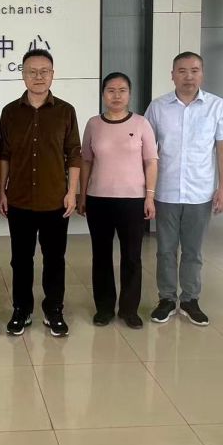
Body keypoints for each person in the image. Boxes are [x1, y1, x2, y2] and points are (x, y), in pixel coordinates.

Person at [144, 51, 223, 326]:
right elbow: (147, 152)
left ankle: (189, 300)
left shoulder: (217, 106)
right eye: (182, 71)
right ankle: (166, 298)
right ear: (172, 75)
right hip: (166, 191)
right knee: (165, 250)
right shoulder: (158, 107)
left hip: (200, 192)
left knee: (193, 251)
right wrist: (147, 191)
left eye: (194, 70)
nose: (188, 76)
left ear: (202, 74)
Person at [0, 49, 81, 337]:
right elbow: (4, 155)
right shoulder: (10, 112)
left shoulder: (65, 111)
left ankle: (53, 309)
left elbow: (74, 154)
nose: (38, 76)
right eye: (32, 71)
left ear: (52, 75)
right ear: (23, 75)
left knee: (54, 259)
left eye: (44, 71)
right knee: (20, 260)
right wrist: (2, 190)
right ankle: (21, 309)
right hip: (19, 199)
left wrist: (72, 192)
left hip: (55, 199)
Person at [78, 72, 158, 330]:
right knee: (101, 256)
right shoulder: (93, 124)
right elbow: (86, 161)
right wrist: (82, 194)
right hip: (98, 199)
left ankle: (129, 309)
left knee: (132, 257)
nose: (116, 95)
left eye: (122, 90)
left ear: (129, 94)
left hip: (133, 200)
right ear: (103, 94)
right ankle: (104, 308)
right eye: (111, 90)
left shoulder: (141, 123)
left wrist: (150, 196)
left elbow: (151, 162)